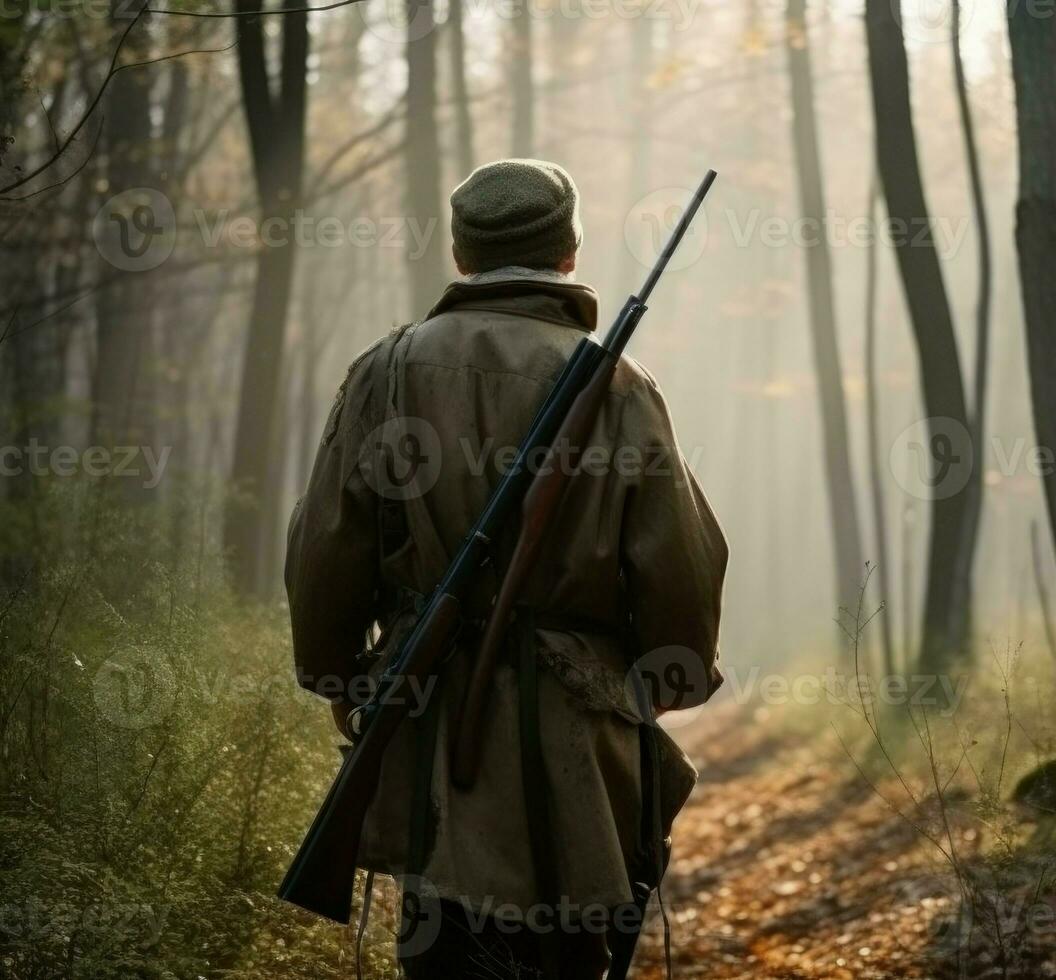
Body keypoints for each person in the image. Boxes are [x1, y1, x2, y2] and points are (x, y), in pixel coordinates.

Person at [285, 159, 728, 978]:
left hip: (422, 715)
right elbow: (680, 568)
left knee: (440, 947)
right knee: (563, 952)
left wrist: (341, 678)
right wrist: (668, 679)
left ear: (462, 255)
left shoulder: (383, 373)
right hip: (577, 736)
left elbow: (326, 548)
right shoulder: (618, 386)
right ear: (567, 253)